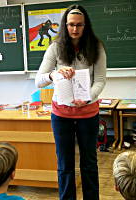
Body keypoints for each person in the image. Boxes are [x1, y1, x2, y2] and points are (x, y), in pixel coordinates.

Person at [35, 4, 106, 200]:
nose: (75, 29)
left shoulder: (96, 47)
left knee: (89, 163)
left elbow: (100, 80)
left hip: (88, 113)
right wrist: (54, 73)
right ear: (65, 26)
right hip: (61, 115)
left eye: (79, 25)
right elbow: (39, 80)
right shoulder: (55, 47)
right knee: (65, 165)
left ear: (86, 26)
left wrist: (88, 97)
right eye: (71, 25)